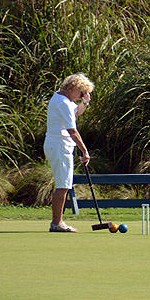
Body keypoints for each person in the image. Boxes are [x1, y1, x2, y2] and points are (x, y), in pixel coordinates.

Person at [44, 73, 93, 232]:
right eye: (81, 93)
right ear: (73, 88)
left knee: (63, 184)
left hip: (58, 145)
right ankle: (57, 223)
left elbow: (77, 112)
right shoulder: (64, 103)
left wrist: (85, 102)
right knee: (63, 186)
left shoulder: (62, 98)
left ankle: (57, 222)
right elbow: (72, 130)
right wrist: (84, 151)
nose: (80, 97)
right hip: (60, 146)